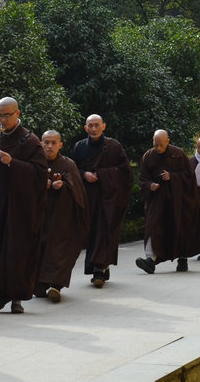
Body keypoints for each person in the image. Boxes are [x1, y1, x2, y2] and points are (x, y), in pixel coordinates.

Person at [0, 97, 47, 314]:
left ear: (18, 114)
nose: (3, 119)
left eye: (7, 115)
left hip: (21, 209)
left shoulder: (30, 141)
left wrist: (13, 163)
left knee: (18, 252)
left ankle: (17, 298)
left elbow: (39, 173)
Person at [71, 114, 132, 287]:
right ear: (85, 128)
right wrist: (84, 174)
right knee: (91, 232)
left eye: (97, 125)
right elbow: (72, 169)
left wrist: (103, 175)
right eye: (90, 125)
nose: (93, 128)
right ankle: (98, 267)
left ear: (103, 126)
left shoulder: (114, 146)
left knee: (104, 231)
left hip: (109, 198)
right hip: (87, 197)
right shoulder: (79, 147)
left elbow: (125, 172)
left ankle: (100, 269)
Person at [35, 130, 89, 302]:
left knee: (60, 251)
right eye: (46, 142)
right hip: (40, 217)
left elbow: (79, 192)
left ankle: (56, 286)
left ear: (60, 145)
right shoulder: (35, 164)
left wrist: (64, 185)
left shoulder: (68, 164)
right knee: (40, 249)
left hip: (63, 219)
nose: (49, 146)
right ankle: (41, 283)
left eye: (53, 143)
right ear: (40, 144)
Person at [136, 130, 200, 274]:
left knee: (179, 228)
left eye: (161, 144)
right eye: (155, 144)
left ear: (168, 141)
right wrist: (149, 185)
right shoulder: (148, 156)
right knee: (152, 227)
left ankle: (182, 259)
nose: (158, 148)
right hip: (157, 199)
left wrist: (172, 176)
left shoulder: (179, 154)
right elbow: (143, 179)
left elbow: (189, 177)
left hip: (178, 200)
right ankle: (150, 261)